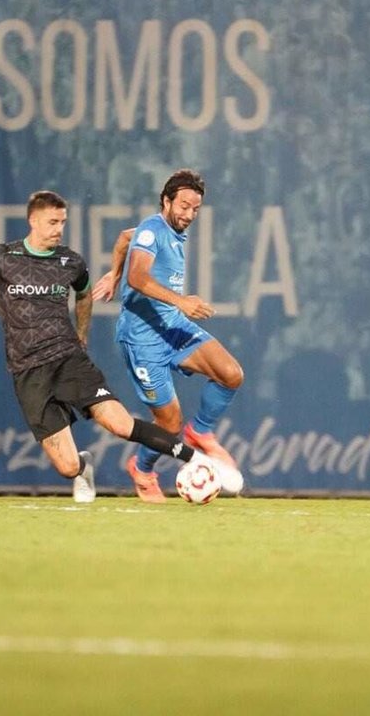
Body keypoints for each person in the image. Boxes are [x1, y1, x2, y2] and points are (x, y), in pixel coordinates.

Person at [0, 190, 227, 504]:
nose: (59, 228)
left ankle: (194, 458)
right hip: (28, 371)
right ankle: (83, 468)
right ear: (33, 220)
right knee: (67, 465)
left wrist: (83, 333)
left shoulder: (70, 262)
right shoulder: (1, 256)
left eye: (63, 222)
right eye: (53, 221)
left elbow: (85, 292)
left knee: (118, 423)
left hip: (69, 360)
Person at [92, 169, 244, 502]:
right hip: (143, 340)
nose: (189, 215)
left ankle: (200, 431)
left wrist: (113, 275)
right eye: (184, 206)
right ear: (166, 200)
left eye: (195, 209)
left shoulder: (162, 231)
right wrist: (180, 301)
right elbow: (139, 278)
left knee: (231, 374)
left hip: (172, 327)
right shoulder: (152, 230)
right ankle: (143, 470)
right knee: (169, 424)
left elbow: (121, 238)